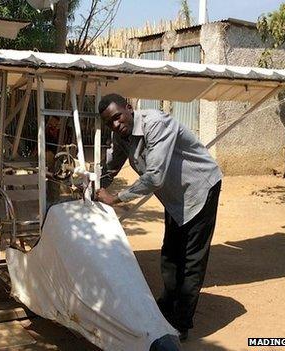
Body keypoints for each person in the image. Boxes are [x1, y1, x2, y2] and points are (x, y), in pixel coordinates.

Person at [95, 94, 223, 341]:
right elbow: (111, 168)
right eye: (109, 123)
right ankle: (166, 306)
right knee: (170, 254)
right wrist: (92, 185)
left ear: (129, 109)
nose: (115, 125)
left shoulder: (156, 123)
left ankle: (181, 323)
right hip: (175, 197)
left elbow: (154, 177)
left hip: (199, 187)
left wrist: (116, 198)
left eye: (117, 117)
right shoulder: (121, 135)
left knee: (191, 258)